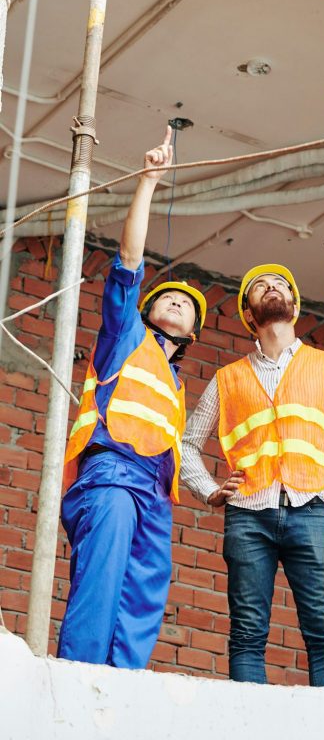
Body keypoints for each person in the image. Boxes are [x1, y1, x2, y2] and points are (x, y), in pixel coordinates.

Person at [58, 127, 213, 668]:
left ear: (191, 333)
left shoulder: (176, 383)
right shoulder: (126, 336)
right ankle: (78, 676)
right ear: (147, 311)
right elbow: (128, 261)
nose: (174, 303)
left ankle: (120, 691)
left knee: (144, 592)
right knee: (101, 582)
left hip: (153, 494)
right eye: (165, 298)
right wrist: (147, 183)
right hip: (112, 476)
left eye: (184, 304)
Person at [181, 263, 324, 686]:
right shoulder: (227, 378)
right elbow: (186, 444)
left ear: (294, 304)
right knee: (247, 634)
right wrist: (210, 490)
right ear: (249, 314)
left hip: (314, 510)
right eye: (260, 286)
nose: (271, 288)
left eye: (280, 284)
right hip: (249, 515)